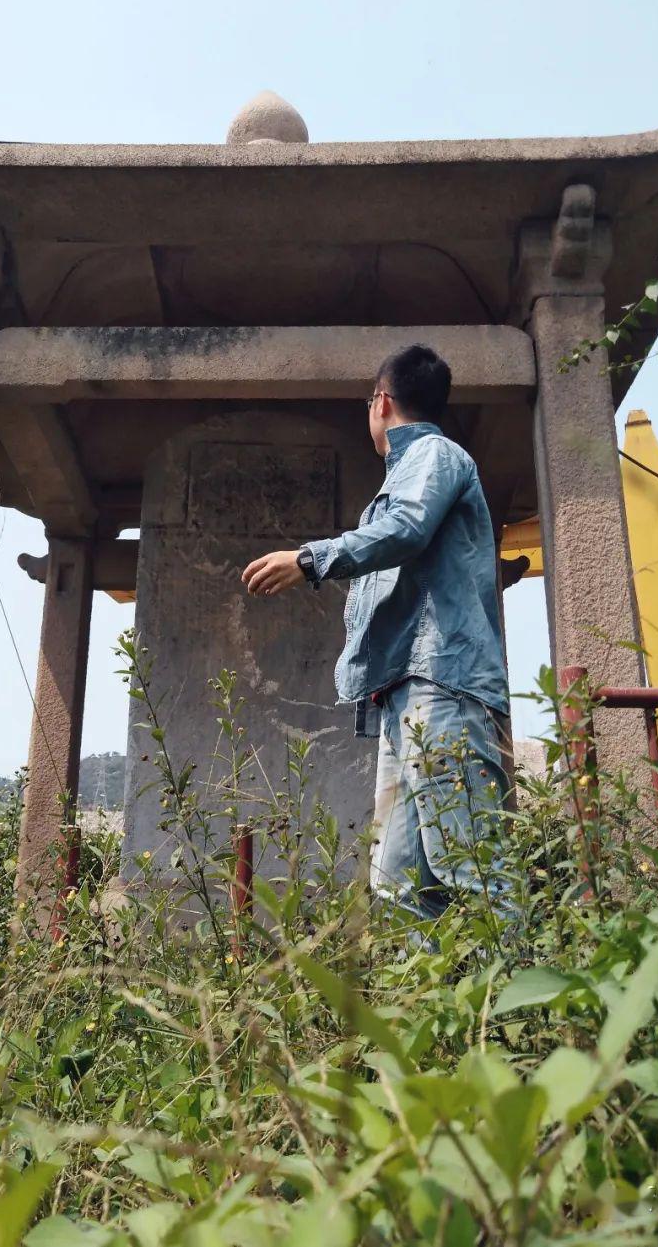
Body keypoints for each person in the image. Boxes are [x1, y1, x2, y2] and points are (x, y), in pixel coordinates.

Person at [241, 343, 514, 929]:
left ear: (382, 403)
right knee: (397, 887)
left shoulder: (436, 456)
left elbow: (408, 529)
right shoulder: (414, 472)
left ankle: (540, 1018)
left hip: (442, 686)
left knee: (475, 869)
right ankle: (447, 1019)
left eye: (371, 399)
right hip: (407, 693)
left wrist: (312, 559)